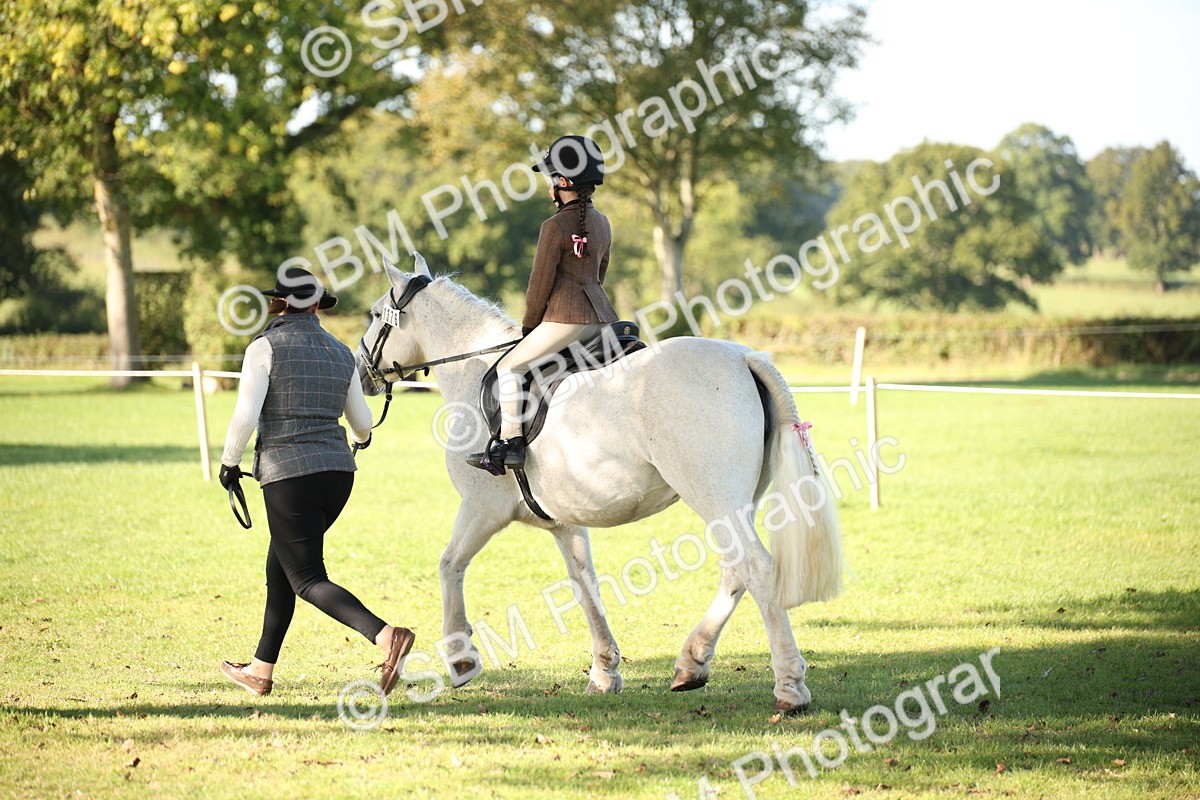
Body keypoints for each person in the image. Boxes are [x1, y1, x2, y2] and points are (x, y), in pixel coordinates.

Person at [217, 266, 414, 697]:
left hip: (289, 476)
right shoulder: (341, 352)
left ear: (281, 302)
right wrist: (358, 439)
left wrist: (230, 463)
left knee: (305, 577)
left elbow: (246, 416)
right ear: (317, 306)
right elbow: (361, 424)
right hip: (338, 475)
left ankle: (386, 636)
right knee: (282, 568)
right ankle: (260, 670)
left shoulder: (264, 347)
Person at [467, 135, 619, 471]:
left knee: (510, 367)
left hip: (564, 320)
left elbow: (539, 285)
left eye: (552, 178)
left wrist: (529, 324)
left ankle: (510, 445)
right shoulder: (603, 222)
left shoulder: (553, 226)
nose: (549, 185)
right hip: (602, 318)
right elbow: (601, 272)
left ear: (563, 182)